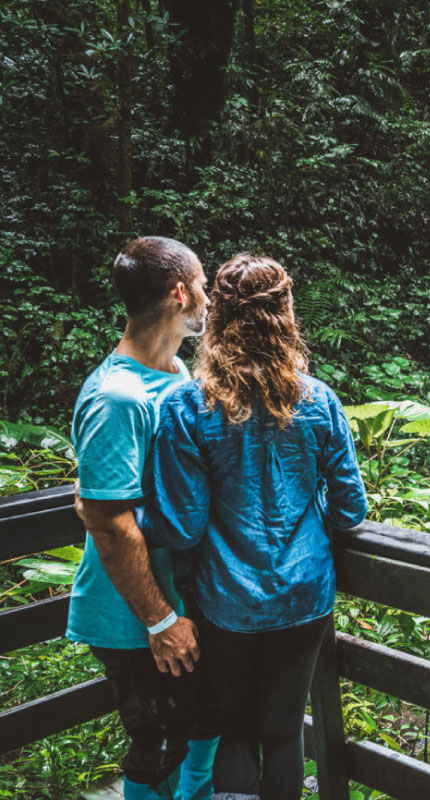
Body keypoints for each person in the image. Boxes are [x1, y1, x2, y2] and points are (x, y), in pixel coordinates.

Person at [145, 253, 367, 800]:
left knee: (237, 731)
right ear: (285, 313)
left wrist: (127, 517)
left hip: (226, 598)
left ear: (217, 315)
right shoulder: (317, 400)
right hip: (304, 593)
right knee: (285, 734)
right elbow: (350, 510)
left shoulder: (188, 406)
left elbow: (184, 526)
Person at [67, 236, 220, 800]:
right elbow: (107, 520)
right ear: (180, 294)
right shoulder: (119, 397)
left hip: (179, 597)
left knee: (202, 724)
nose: (209, 296)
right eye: (203, 284)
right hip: (136, 616)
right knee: (157, 744)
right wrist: (160, 622)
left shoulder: (175, 373)